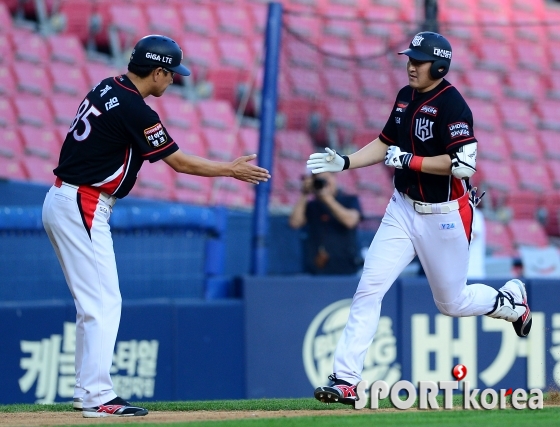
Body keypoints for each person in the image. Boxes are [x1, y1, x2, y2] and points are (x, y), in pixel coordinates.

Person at [41, 35, 270, 417]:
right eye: (171, 74)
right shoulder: (136, 108)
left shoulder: (107, 86)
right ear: (158, 71)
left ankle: (87, 391)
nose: (173, 80)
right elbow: (180, 163)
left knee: (93, 304)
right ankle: (98, 397)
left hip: (67, 198)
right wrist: (230, 169)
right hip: (84, 201)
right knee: (103, 302)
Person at [306, 31, 532, 406]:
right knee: (368, 288)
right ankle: (345, 379)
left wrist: (410, 160)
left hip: (444, 215)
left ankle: (511, 303)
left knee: (452, 303)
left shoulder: (453, 105)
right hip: (402, 208)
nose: (411, 64)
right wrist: (345, 161)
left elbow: (462, 165)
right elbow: (384, 141)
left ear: (439, 65)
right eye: (410, 57)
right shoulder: (405, 95)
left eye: (419, 59)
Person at [289, 172, 362, 275]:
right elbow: (294, 223)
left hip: (346, 268)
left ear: (334, 178)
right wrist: (304, 194)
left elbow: (350, 221)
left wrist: (326, 198)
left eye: (326, 178)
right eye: (320, 179)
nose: (324, 183)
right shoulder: (312, 206)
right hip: (317, 268)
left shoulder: (349, 200)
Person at [467, 208, 487, 279]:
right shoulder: (454, 213)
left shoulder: (476, 213)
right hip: (458, 273)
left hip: (473, 271)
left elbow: (473, 236)